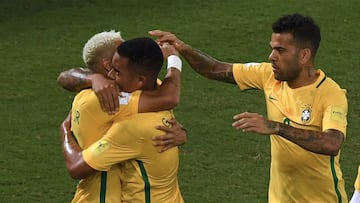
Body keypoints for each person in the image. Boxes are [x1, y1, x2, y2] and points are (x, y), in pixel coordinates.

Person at [150, 13, 348, 202]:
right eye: (272, 48)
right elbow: (215, 69)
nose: (271, 56)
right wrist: (182, 48)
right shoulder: (268, 75)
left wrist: (275, 127)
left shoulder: (330, 94)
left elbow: (332, 143)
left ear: (304, 55)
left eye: (280, 50)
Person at [59, 31, 186, 202]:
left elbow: (66, 76)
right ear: (107, 65)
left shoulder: (147, 92)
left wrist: (183, 132)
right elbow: (169, 98)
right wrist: (64, 131)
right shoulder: (105, 100)